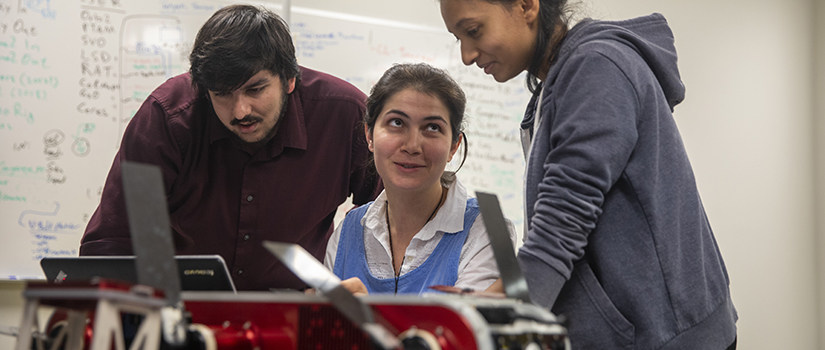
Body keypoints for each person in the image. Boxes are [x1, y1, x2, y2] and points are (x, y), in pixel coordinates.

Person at [441, 0, 738, 349]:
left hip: (667, 338)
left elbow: (562, 222)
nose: (467, 55)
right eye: (458, 38)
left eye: (473, 31)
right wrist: (485, 301)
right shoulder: (552, 88)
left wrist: (505, 316)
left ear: (526, 6)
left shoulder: (596, 67)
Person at [79, 4, 381, 291]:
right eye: (222, 94)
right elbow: (115, 240)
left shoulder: (345, 115)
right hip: (183, 304)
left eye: (255, 89)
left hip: (295, 306)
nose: (240, 111)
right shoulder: (167, 119)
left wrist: (347, 282)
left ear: (289, 79)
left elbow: (389, 219)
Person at [324, 63, 515, 295]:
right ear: (369, 135)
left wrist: (366, 310)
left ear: (454, 146)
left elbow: (465, 319)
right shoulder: (347, 233)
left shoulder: (488, 232)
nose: (412, 146)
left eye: (432, 127)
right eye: (397, 123)